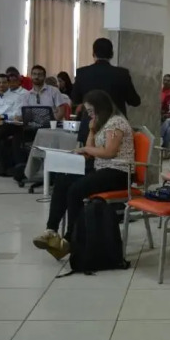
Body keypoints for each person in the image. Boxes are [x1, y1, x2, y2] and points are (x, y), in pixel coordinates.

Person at [32, 90, 135, 260]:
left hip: (119, 172)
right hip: (102, 168)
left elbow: (109, 152)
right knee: (63, 179)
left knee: (76, 190)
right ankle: (51, 230)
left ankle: (70, 239)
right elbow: (90, 150)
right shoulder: (103, 123)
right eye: (88, 112)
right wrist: (92, 131)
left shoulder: (116, 122)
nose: (90, 115)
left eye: (92, 111)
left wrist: (86, 149)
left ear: (101, 108)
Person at [72, 38, 141, 144]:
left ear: (93, 53)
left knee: (88, 154)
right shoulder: (122, 74)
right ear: (111, 54)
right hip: (115, 129)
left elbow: (75, 99)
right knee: (114, 154)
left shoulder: (82, 73)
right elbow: (135, 101)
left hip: (90, 127)